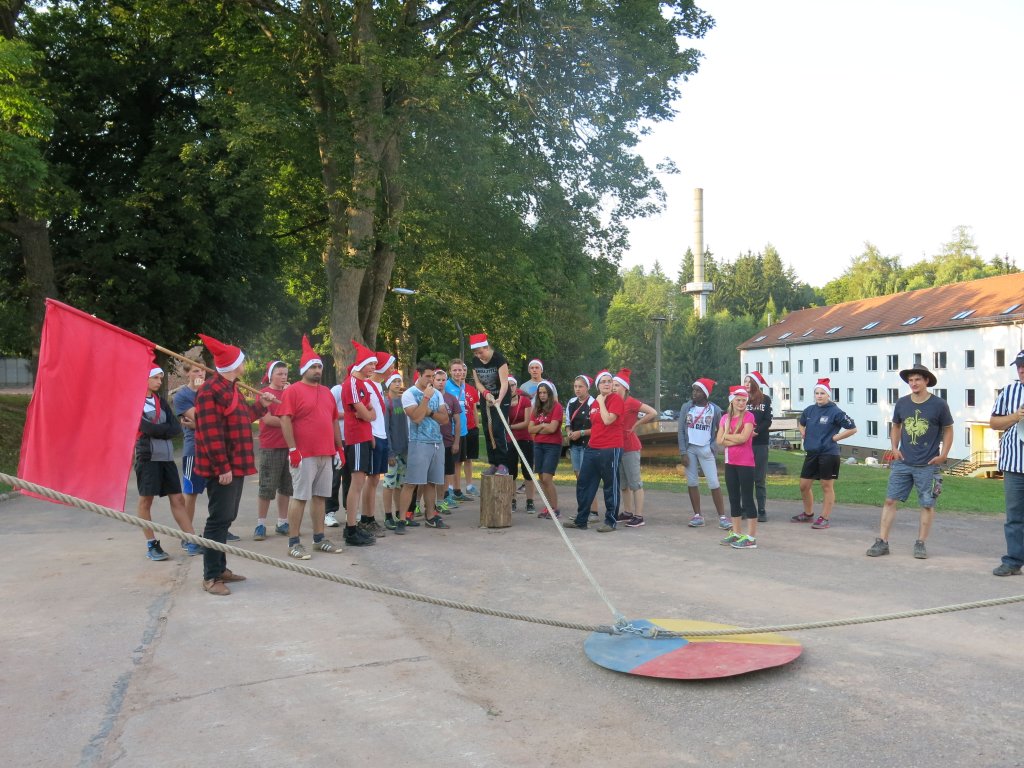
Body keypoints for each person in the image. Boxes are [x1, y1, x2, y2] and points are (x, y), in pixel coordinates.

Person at [194, 334, 277, 596]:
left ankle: (220, 569)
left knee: (226, 518)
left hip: (236, 464)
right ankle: (210, 576)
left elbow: (241, 418)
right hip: (223, 467)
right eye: (241, 360)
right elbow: (210, 433)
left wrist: (260, 406)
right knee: (218, 520)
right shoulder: (209, 391)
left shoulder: (232, 388)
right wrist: (222, 467)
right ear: (233, 365)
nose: (244, 363)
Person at [866, 364, 952, 560]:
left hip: (928, 464)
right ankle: (882, 541)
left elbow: (948, 429)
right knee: (890, 500)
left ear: (926, 381)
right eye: (910, 380)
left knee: (927, 504)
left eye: (917, 379)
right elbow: (896, 426)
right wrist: (894, 448)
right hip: (903, 462)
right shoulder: (902, 403)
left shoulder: (939, 404)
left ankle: (920, 543)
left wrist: (944, 454)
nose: (913, 383)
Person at [280, 336, 349, 559]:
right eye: (313, 367)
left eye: (319, 366)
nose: (317, 370)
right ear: (304, 370)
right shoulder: (293, 391)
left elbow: (333, 421)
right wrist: (293, 449)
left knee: (320, 497)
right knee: (300, 497)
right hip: (304, 454)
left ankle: (319, 539)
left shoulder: (327, 392)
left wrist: (339, 448)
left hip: (326, 453)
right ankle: (293, 542)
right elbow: (285, 419)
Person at [136, 366, 197, 560]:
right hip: (148, 458)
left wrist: (159, 430)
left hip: (167, 458)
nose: (159, 382)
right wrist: (163, 430)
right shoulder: (135, 402)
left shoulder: (160, 401)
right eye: (155, 378)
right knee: (146, 501)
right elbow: (145, 428)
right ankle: (151, 544)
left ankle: (191, 539)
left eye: (161, 378)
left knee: (178, 499)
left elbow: (175, 428)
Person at [793, 378, 857, 529]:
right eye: (817, 393)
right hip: (812, 453)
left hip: (828, 454)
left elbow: (852, 428)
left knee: (826, 486)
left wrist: (835, 438)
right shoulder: (809, 410)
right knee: (803, 485)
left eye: (822, 393)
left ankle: (824, 518)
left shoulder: (836, 412)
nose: (819, 396)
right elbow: (801, 423)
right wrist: (803, 433)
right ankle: (808, 514)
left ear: (828, 395)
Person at [565, 370, 624, 532]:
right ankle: (581, 519)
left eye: (609, 381)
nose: (607, 384)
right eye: (603, 381)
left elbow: (608, 420)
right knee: (584, 483)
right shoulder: (596, 403)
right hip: (593, 447)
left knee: (610, 485)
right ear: (598, 385)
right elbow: (596, 426)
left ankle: (610, 521)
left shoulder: (615, 399)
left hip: (610, 447)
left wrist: (601, 401)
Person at [399, 360, 451, 529]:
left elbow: (444, 419)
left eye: (432, 376)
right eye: (427, 376)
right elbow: (416, 417)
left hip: (437, 442)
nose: (431, 379)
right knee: (411, 482)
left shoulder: (438, 394)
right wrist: (426, 398)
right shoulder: (409, 394)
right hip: (418, 442)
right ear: (419, 375)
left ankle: (430, 516)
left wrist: (430, 412)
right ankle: (402, 519)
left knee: (431, 482)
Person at [989, 350, 1024, 576]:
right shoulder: (1009, 391)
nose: (1021, 370)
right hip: (1014, 464)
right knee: (1014, 516)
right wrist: (1015, 416)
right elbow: (993, 423)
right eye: (1019, 366)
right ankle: (1013, 561)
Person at [677, 378, 729, 530]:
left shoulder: (715, 409)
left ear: (705, 394)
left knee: (714, 483)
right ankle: (697, 515)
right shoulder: (686, 407)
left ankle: (722, 517)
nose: (694, 393)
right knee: (692, 482)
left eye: (698, 390)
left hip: (706, 449)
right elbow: (681, 430)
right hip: (690, 449)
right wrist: (683, 452)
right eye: (694, 390)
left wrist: (713, 446)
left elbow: (722, 428)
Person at [342, 341, 380, 546]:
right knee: (356, 484)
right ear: (361, 364)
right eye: (371, 364)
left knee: (360, 482)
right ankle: (350, 529)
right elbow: (366, 413)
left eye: (375, 364)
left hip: (364, 436)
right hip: (356, 438)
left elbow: (371, 413)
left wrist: (367, 415)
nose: (374, 367)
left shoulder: (363, 384)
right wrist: (367, 414)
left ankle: (353, 526)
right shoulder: (352, 383)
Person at [611, 368, 658, 528]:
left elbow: (652, 412)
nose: (613, 387)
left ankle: (639, 516)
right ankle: (627, 512)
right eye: (613, 385)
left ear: (625, 387)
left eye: (617, 385)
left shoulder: (631, 402)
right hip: (618, 447)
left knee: (635, 483)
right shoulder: (614, 402)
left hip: (630, 447)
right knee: (623, 484)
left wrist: (636, 424)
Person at [171, 354, 207, 554]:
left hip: (213, 449)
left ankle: (217, 530)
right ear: (187, 374)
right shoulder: (181, 396)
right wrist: (201, 422)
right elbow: (205, 417)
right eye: (195, 370)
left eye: (202, 370)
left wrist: (199, 423)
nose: (200, 374)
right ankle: (187, 535)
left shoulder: (209, 391)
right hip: (194, 450)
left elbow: (218, 418)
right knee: (191, 493)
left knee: (218, 491)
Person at [253, 360, 292, 540]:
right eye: (279, 374)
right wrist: (288, 423)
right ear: (271, 376)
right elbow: (268, 419)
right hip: (271, 446)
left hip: (289, 445)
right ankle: (260, 524)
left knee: (286, 487)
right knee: (267, 487)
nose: (283, 377)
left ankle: (282, 522)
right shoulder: (264, 394)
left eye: (285, 374)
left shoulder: (290, 393)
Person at [717, 385, 758, 549]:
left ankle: (751, 538)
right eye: (738, 400)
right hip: (730, 462)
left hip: (746, 463)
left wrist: (727, 436)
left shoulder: (749, 416)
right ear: (732, 401)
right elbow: (719, 440)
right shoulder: (724, 418)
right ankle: (736, 533)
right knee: (734, 498)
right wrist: (734, 438)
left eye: (743, 400)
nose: (741, 403)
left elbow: (744, 438)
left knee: (747, 498)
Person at [469, 333, 511, 475]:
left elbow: (504, 383)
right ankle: (493, 463)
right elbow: (477, 383)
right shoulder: (475, 361)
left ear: (487, 348)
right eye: (476, 353)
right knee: (488, 430)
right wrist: (485, 393)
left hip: (501, 397)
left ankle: (503, 464)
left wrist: (499, 398)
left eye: (480, 352)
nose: (479, 355)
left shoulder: (499, 359)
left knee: (498, 429)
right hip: (486, 396)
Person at [529, 380, 563, 518]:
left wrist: (539, 428)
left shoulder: (556, 406)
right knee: (541, 478)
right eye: (540, 393)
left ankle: (554, 508)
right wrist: (543, 426)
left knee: (547, 477)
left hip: (552, 445)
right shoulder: (536, 408)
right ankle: (548, 507)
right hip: (538, 445)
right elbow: (530, 429)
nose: (542, 395)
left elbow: (552, 428)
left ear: (550, 393)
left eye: (545, 393)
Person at [565, 375, 598, 518]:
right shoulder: (571, 402)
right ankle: (582, 511)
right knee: (579, 479)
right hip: (575, 445)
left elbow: (598, 428)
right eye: (575, 386)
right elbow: (568, 423)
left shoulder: (594, 403)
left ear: (587, 388)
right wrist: (569, 432)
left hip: (588, 445)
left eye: (580, 386)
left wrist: (581, 433)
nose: (577, 389)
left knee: (588, 478)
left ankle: (593, 512)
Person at [743, 370, 773, 522]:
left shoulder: (765, 399)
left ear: (755, 384)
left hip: (760, 443)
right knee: (744, 477)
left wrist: (756, 431)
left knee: (759, 479)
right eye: (745, 381)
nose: (747, 384)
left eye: (750, 382)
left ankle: (761, 510)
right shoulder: (741, 398)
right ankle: (745, 508)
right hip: (743, 443)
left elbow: (768, 420)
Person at [381, 372, 408, 533]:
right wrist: (389, 452)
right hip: (393, 451)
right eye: (395, 381)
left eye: (400, 381)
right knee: (389, 484)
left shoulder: (404, 401)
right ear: (388, 384)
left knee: (400, 484)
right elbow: (386, 429)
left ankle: (399, 513)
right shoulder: (387, 403)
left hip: (404, 450)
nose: (398, 384)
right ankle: (388, 515)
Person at [433, 367, 463, 514]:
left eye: (443, 380)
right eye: (438, 380)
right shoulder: (429, 396)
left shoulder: (451, 399)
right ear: (433, 381)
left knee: (446, 472)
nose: (441, 382)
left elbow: (457, 421)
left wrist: (456, 441)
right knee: (432, 474)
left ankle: (443, 498)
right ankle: (424, 502)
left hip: (447, 441)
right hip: (431, 441)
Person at [444, 359, 475, 502]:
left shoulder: (462, 386)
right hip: (449, 432)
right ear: (450, 371)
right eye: (455, 370)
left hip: (462, 430)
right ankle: (447, 492)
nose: (458, 373)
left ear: (464, 371)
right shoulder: (447, 385)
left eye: (460, 370)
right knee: (449, 464)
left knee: (459, 462)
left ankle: (457, 491)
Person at [506, 376, 535, 512]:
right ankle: (512, 500)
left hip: (525, 439)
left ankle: (530, 501)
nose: (510, 387)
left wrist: (510, 427)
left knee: (527, 471)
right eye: (507, 385)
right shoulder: (503, 402)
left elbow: (527, 422)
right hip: (509, 440)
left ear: (516, 386)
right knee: (511, 472)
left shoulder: (525, 401)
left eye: (512, 385)